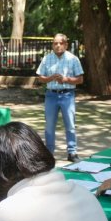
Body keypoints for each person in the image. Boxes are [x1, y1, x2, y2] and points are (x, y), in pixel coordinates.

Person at [36, 34, 84, 162]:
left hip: (67, 95)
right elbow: (40, 78)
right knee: (49, 125)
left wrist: (66, 79)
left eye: (61, 43)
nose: (58, 45)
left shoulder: (73, 59)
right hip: (51, 95)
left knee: (70, 125)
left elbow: (80, 79)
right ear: (52, 45)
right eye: (55, 43)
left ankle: (72, 152)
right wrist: (50, 78)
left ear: (66, 44)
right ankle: (49, 153)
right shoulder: (47, 59)